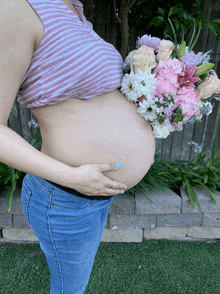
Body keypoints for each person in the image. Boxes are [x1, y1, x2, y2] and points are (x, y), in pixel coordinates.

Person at [0, 0, 155, 292]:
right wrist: (72, 177)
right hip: (65, 195)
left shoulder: (72, 8)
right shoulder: (15, 8)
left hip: (89, 194)